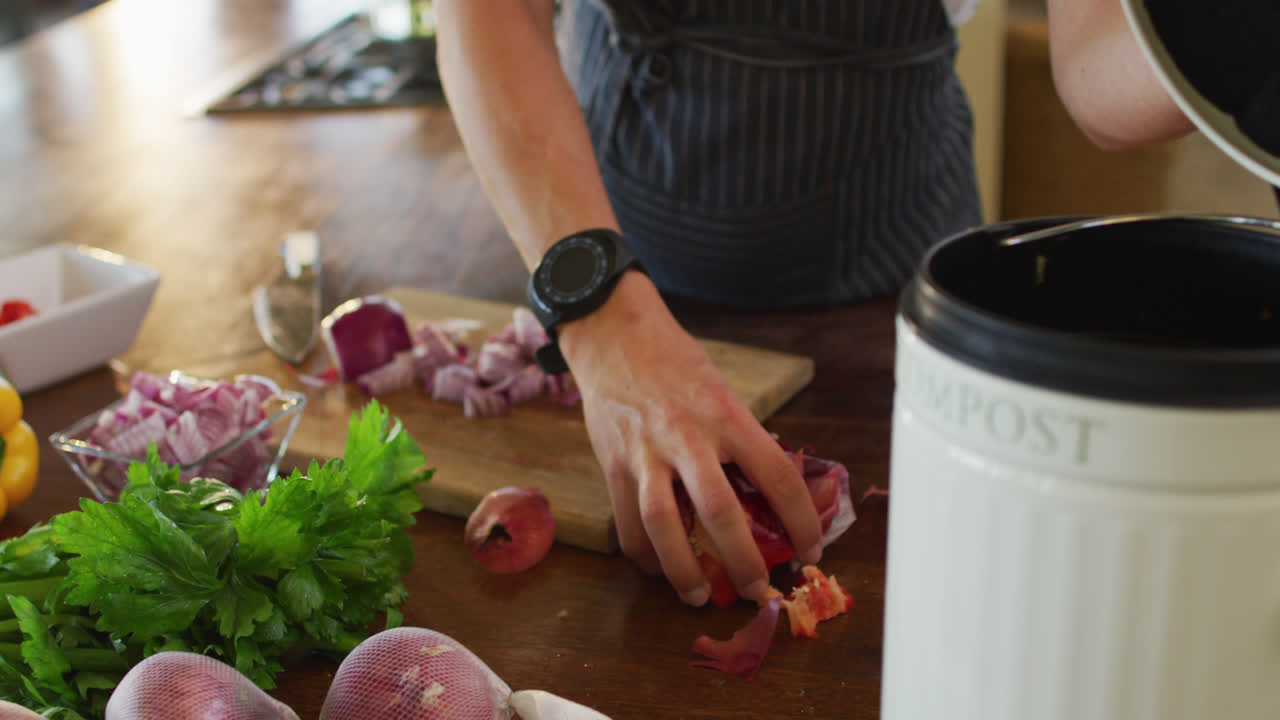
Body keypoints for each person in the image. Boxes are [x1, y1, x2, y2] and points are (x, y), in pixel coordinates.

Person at [432, 0, 1193, 607]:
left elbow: (1100, 70)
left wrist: (1226, 56)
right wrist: (595, 306)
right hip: (595, 233)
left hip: (883, 293)